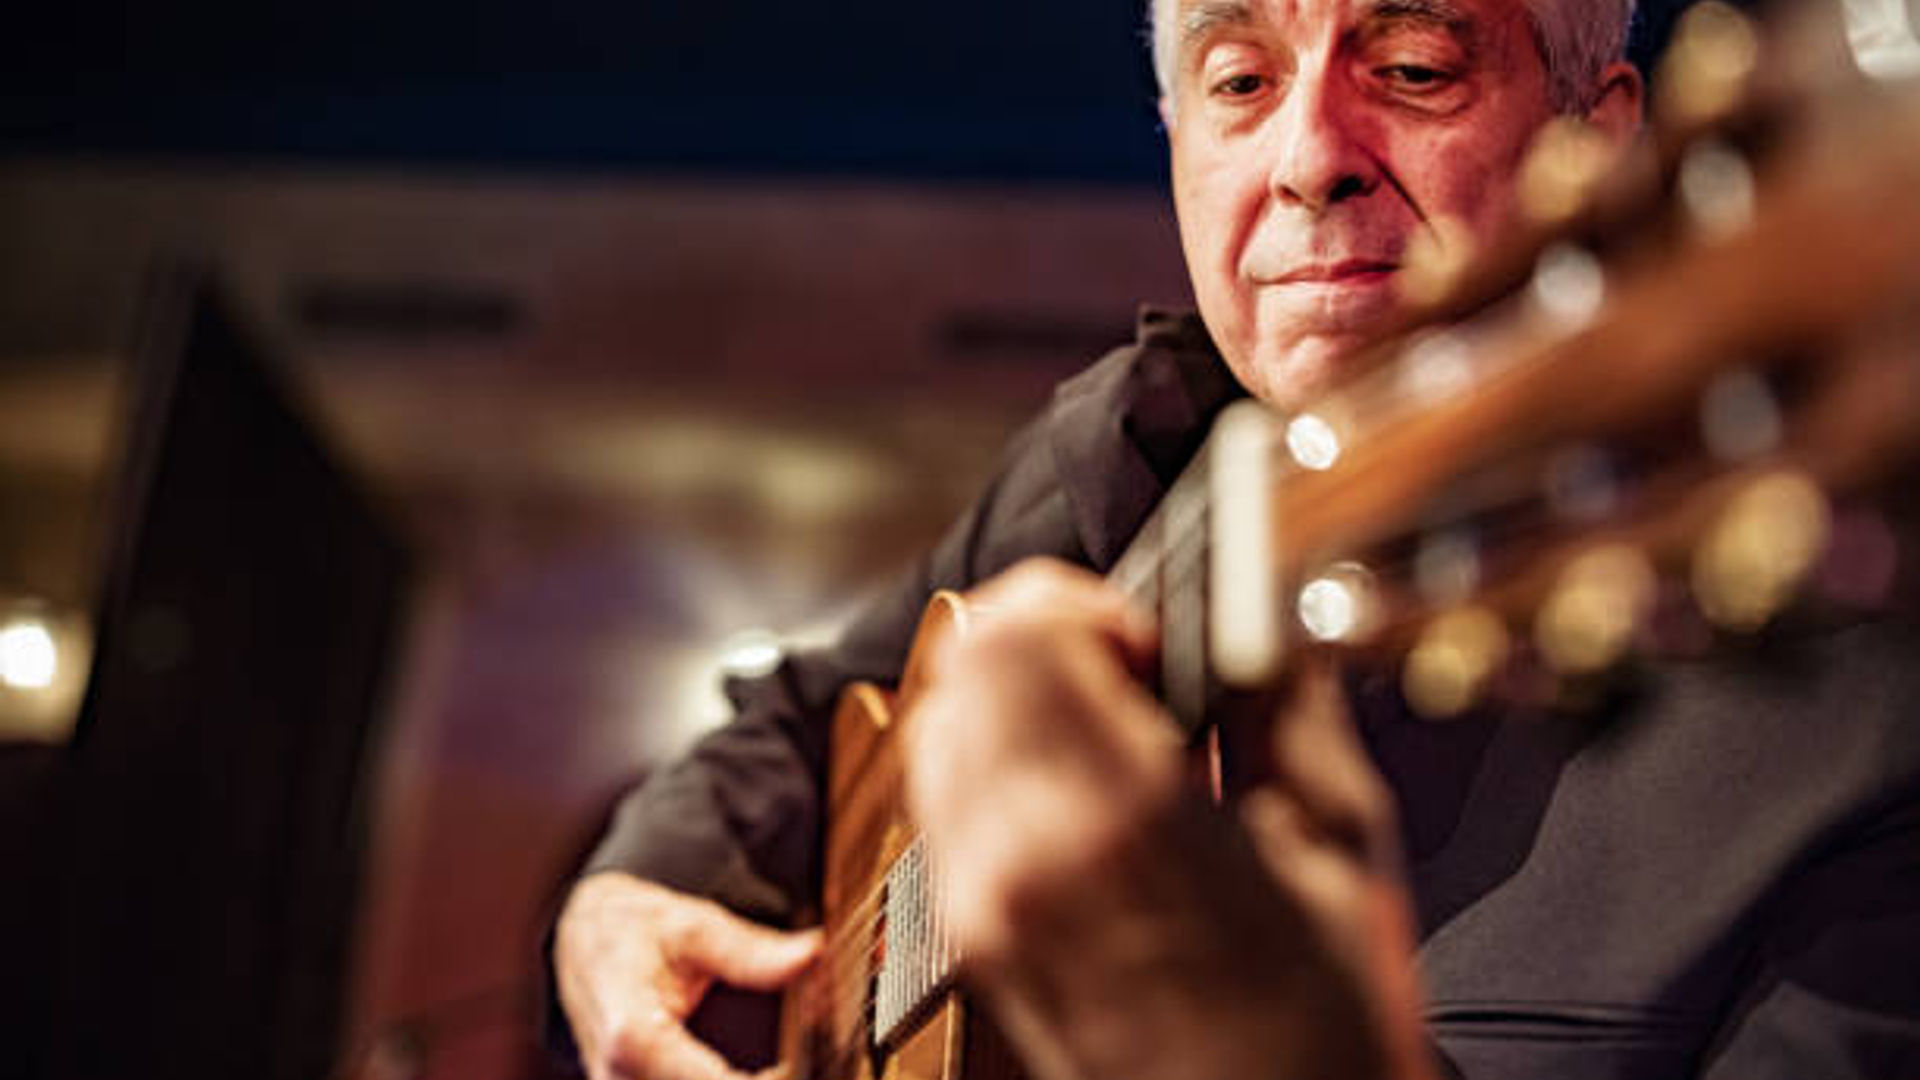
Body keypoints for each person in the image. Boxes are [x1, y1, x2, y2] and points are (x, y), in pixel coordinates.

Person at [549, 1, 1920, 1078]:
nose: (1310, 157)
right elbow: (789, 717)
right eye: (1242, 83)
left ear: (1601, 137)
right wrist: (630, 892)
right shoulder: (1103, 465)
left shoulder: (1868, 751)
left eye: (1418, 65)